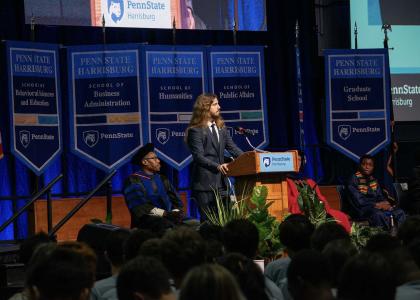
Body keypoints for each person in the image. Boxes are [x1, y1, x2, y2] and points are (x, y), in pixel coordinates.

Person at [186, 93, 243, 220]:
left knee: (226, 220)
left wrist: (249, 159)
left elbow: (232, 148)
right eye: (215, 104)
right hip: (204, 184)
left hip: (222, 184)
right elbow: (198, 157)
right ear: (205, 107)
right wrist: (217, 166)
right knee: (209, 222)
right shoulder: (195, 130)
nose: (219, 107)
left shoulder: (221, 127)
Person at [123, 143, 184, 229]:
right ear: (145, 162)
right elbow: (141, 207)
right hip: (147, 223)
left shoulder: (162, 179)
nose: (158, 161)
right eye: (154, 158)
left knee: (194, 223)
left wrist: (175, 213)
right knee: (166, 226)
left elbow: (176, 201)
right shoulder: (133, 181)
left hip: (170, 219)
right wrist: (166, 214)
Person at [287, 153, 351, 232]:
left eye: (299, 160)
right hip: (301, 212)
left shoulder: (309, 181)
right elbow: (291, 202)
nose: (297, 162)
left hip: (317, 211)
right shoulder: (286, 182)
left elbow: (321, 198)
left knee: (341, 216)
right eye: (294, 160)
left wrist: (320, 208)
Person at [347, 154, 406, 230]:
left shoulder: (373, 180)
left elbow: (380, 196)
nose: (367, 167)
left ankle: (400, 234)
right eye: (364, 164)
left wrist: (386, 203)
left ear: (373, 167)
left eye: (370, 165)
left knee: (399, 212)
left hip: (376, 208)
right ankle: (387, 235)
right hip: (361, 209)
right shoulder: (353, 179)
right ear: (359, 165)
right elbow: (359, 201)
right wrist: (376, 204)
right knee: (379, 215)